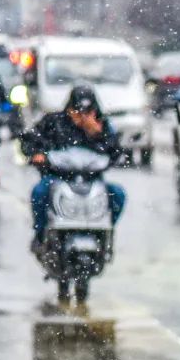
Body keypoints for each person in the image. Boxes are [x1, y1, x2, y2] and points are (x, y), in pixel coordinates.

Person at [21, 86, 125, 254]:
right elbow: (31, 140)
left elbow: (115, 150)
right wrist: (37, 154)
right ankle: (40, 235)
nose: (81, 115)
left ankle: (106, 234)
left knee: (118, 194)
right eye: (77, 110)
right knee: (39, 193)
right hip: (58, 178)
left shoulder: (102, 125)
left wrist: (96, 134)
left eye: (87, 111)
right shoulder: (54, 122)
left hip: (92, 179)